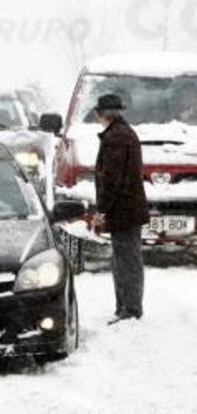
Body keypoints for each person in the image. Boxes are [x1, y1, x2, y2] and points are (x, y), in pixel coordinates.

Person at [91, 94, 150, 324]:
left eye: (97, 113)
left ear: (102, 113)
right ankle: (124, 307)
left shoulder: (116, 137)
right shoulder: (123, 133)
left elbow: (112, 179)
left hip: (123, 209)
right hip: (127, 207)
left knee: (127, 261)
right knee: (124, 259)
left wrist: (101, 211)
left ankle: (130, 309)